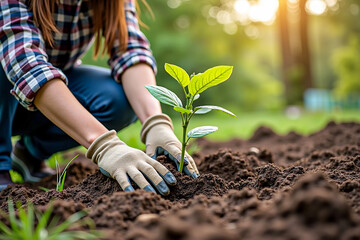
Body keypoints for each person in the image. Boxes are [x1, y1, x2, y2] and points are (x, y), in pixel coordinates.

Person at [0, 0, 199, 195]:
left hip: (40, 98)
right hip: (13, 81)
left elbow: (130, 50)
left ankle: (29, 154)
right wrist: (105, 145)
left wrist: (155, 122)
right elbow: (25, 64)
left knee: (117, 99)